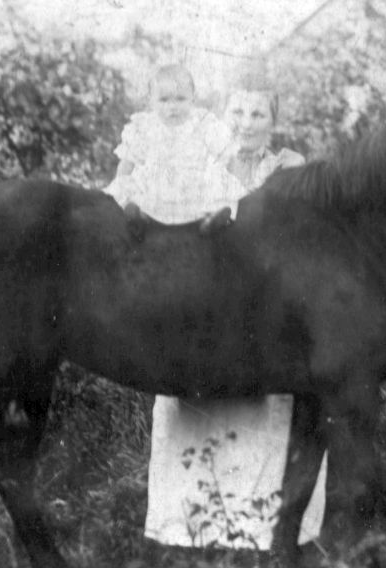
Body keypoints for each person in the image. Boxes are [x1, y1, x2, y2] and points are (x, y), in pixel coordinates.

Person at [142, 72, 327, 550]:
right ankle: (186, 526)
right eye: (238, 113)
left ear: (273, 122)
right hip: (202, 302)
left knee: (265, 398)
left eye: (257, 114)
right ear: (224, 117)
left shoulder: (287, 169)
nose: (246, 124)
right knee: (192, 395)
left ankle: (261, 532)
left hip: (265, 304)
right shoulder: (199, 160)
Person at [105, 63, 238, 224]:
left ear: (193, 98)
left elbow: (226, 154)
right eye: (164, 100)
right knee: (130, 196)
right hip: (154, 189)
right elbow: (127, 163)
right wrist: (121, 186)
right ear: (151, 101)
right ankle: (138, 218)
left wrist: (232, 179)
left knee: (220, 191)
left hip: (193, 190)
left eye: (180, 99)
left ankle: (209, 222)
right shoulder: (145, 126)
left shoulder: (203, 123)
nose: (172, 107)